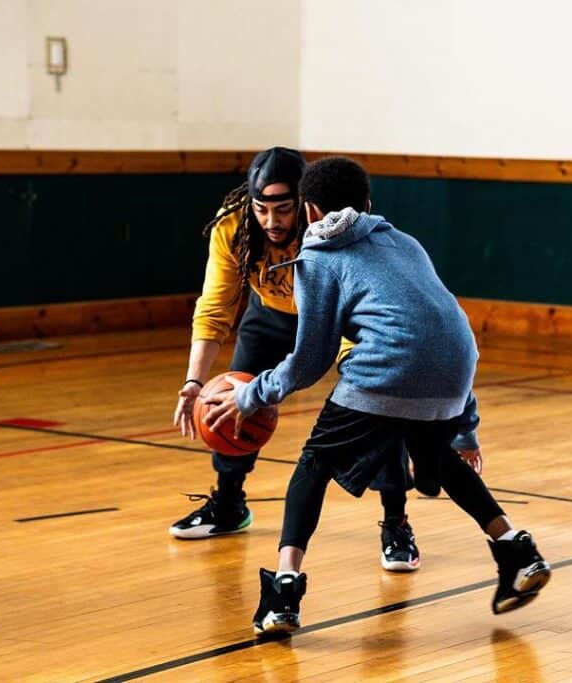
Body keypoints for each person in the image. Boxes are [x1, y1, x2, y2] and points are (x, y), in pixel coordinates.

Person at [202, 156, 551, 637]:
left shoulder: (318, 257)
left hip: (389, 368)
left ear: (308, 212)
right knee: (439, 457)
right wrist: (465, 426)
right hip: (457, 366)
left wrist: (251, 396)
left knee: (313, 467)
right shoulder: (404, 243)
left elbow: (310, 360)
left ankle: (284, 593)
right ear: (367, 205)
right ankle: (516, 549)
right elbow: (443, 328)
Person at [169, 147, 431, 573]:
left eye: (283, 209)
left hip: (342, 314)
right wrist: (194, 383)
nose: (271, 222)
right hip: (271, 313)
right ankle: (229, 503)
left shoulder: (330, 222)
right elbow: (215, 306)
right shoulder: (233, 225)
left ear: (305, 203)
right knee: (232, 398)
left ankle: (396, 521)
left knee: (377, 403)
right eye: (262, 209)